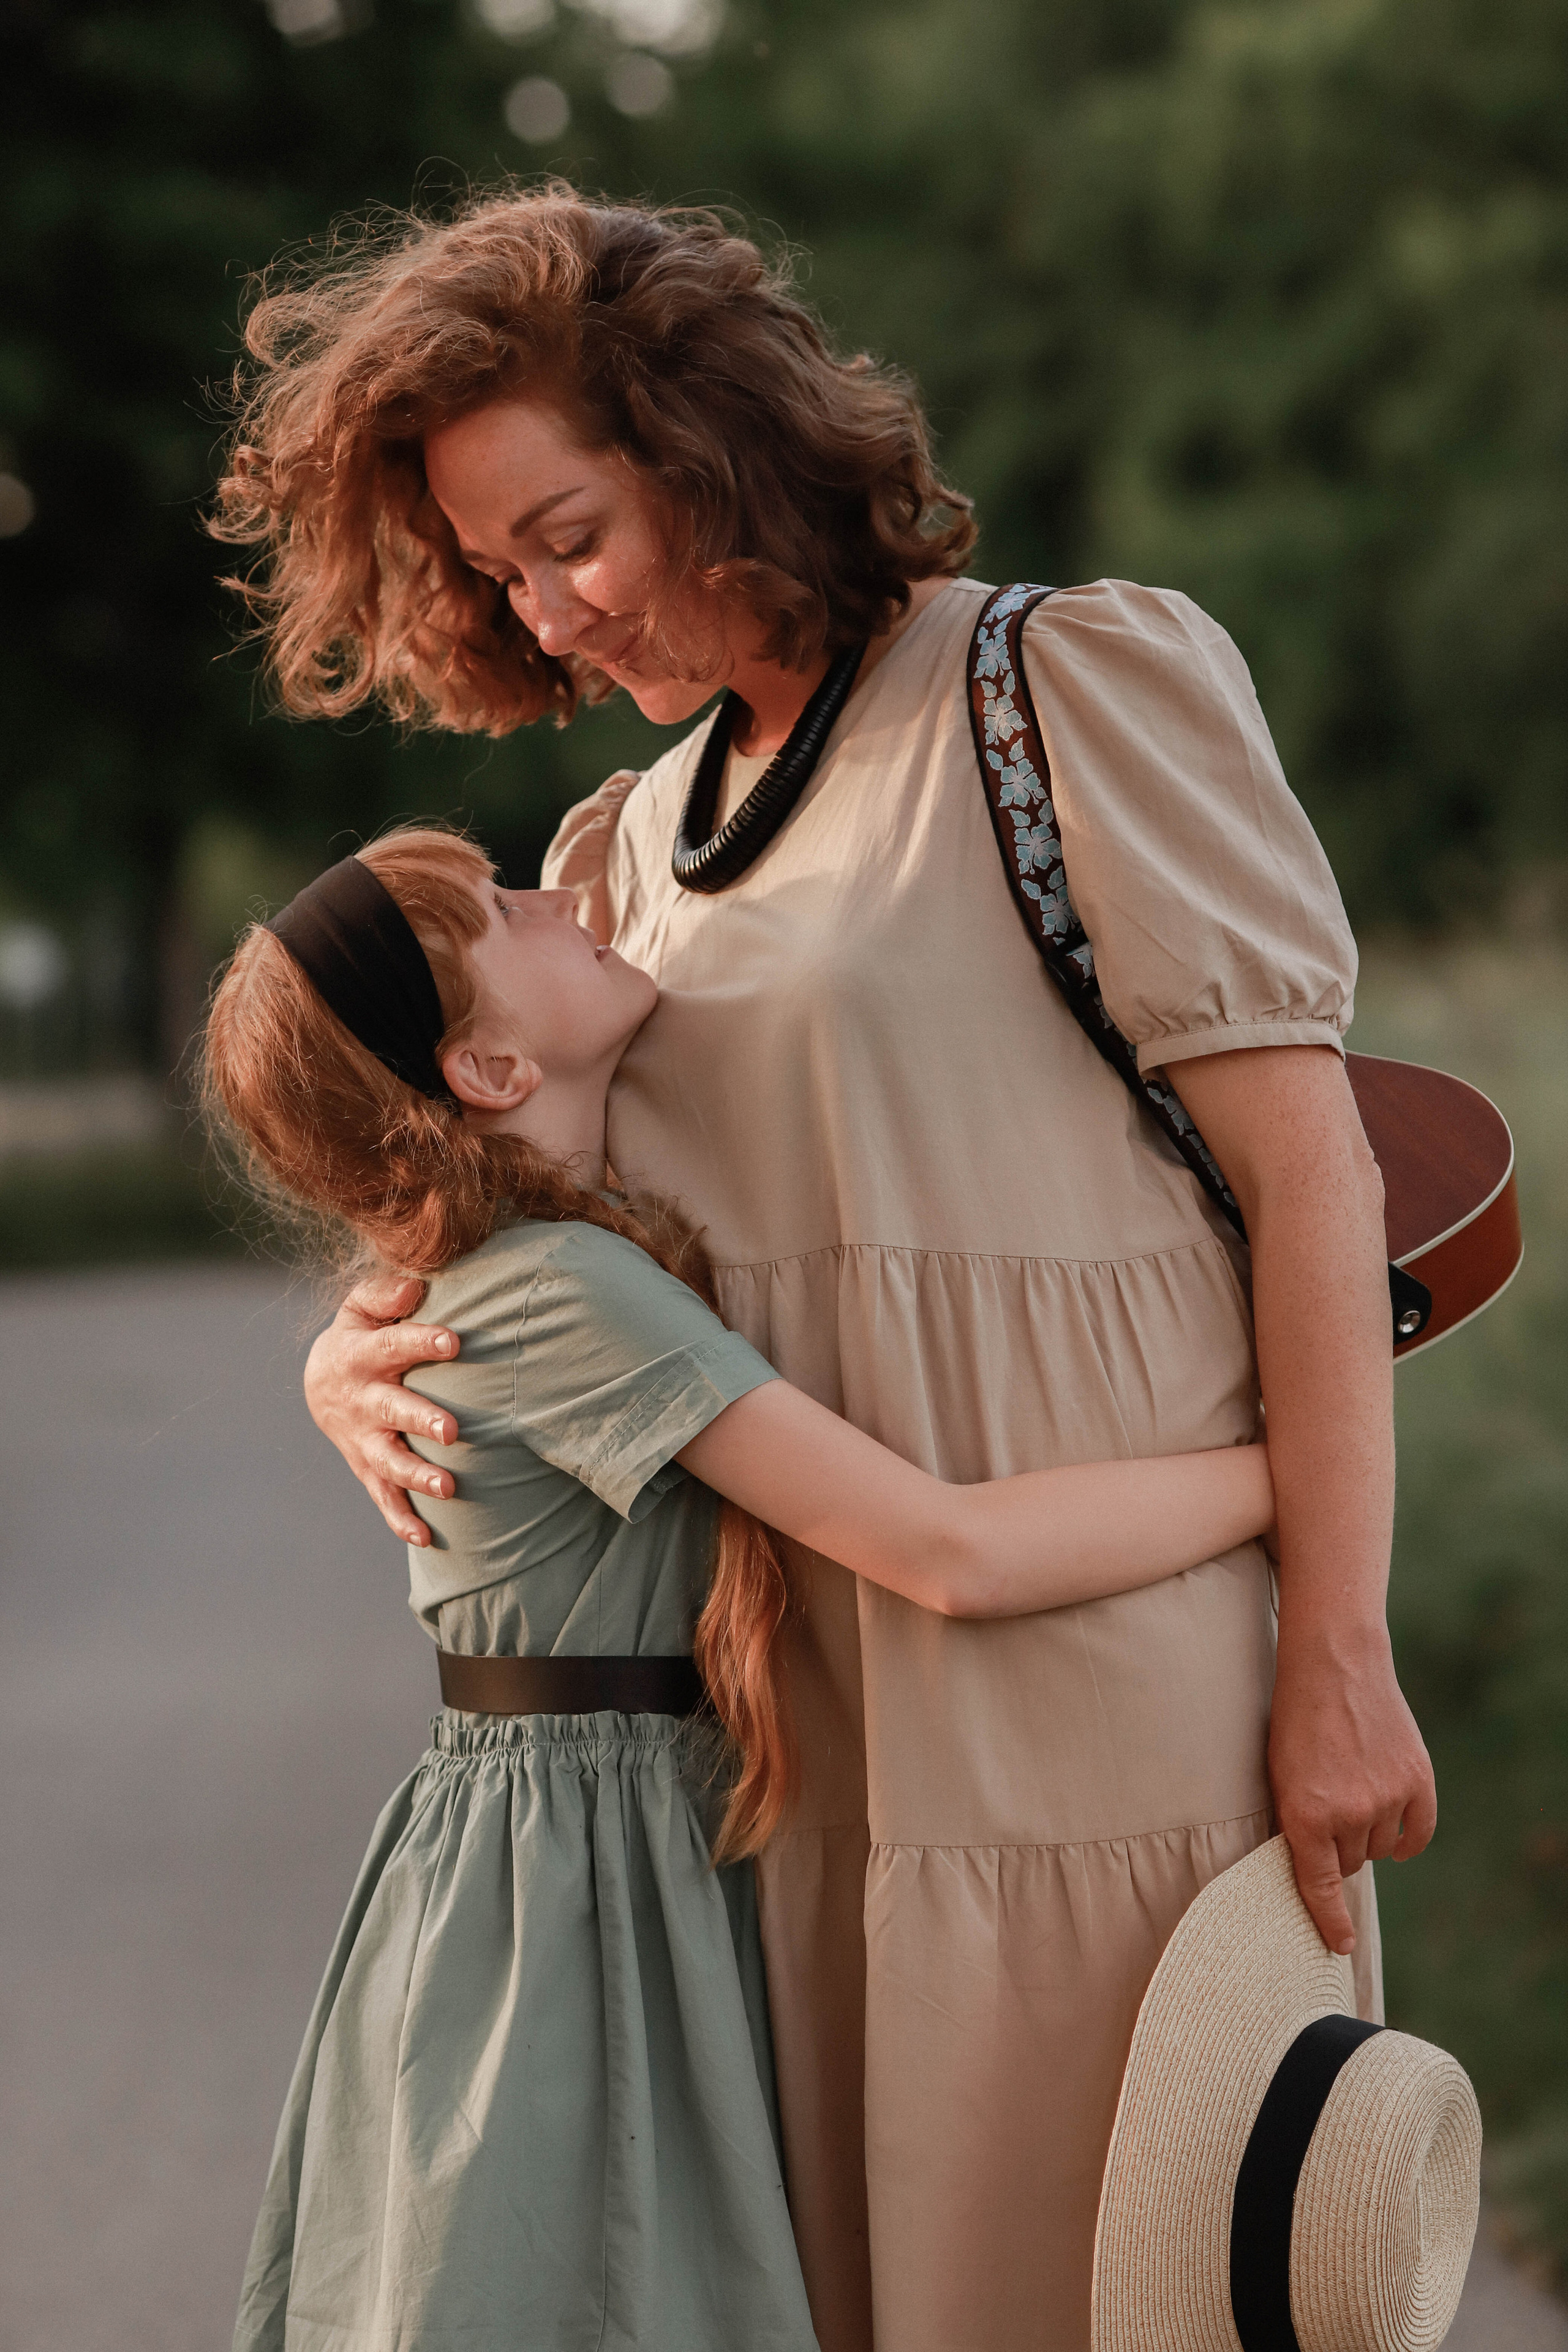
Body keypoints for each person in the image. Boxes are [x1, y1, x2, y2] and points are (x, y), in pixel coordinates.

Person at [210, 186, 1437, 2352]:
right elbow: (506, 1210)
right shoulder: (612, 862)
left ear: (711, 449)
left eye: (569, 535)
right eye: (499, 574)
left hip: (1104, 1721)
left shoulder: (1059, 692)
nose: (547, 613)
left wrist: (1340, 1641)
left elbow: (1314, 1179)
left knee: (1146, 2290)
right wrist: (355, 1349)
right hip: (779, 1790)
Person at [204, 826, 1278, 2352]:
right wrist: (1290, 1475)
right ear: (489, 1072)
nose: (563, 896)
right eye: (507, 910)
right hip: (567, 1892)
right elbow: (949, 1553)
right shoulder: (561, 1287)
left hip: (531, 1860)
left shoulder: (530, 1264)